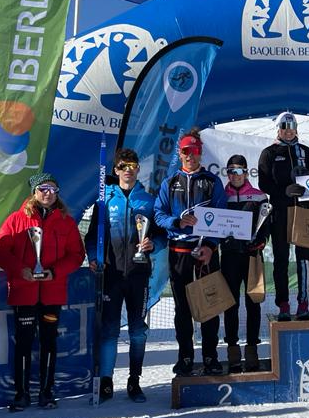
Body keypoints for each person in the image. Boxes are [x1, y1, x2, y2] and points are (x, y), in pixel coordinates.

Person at [0, 173, 85, 411]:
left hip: (52, 293)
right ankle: (21, 394)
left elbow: (77, 255)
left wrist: (56, 272)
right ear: (34, 192)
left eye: (53, 188)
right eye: (43, 188)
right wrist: (20, 270)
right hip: (25, 291)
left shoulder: (66, 221)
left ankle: (46, 391)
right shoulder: (17, 220)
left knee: (49, 341)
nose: (48, 193)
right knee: (23, 342)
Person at [154, 129, 228, 376]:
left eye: (195, 151)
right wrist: (177, 222)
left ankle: (210, 356)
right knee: (182, 309)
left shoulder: (212, 181)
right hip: (179, 252)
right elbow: (158, 215)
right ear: (180, 153)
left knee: (210, 304)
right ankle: (185, 356)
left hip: (206, 251)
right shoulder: (170, 183)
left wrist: (211, 246)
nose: (190, 156)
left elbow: (223, 217)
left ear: (200, 153)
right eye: (186, 152)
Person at [86, 148, 154, 403]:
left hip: (139, 274)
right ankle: (106, 382)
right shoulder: (104, 200)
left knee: (138, 331)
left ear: (138, 169)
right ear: (116, 171)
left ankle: (134, 381)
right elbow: (92, 236)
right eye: (123, 166)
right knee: (109, 331)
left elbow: (157, 234)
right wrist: (94, 257)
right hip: (112, 275)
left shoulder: (147, 200)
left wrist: (152, 245)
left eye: (133, 165)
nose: (128, 170)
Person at [257, 112, 309, 320]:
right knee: (281, 259)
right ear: (278, 129)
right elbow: (263, 183)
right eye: (284, 126)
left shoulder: (305, 151)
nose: (288, 129)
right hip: (281, 212)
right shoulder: (270, 152)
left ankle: (303, 302)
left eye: (292, 125)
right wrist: (283, 191)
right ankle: (283, 304)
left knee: (304, 258)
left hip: (302, 211)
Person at [220, 154, 270, 373]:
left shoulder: (259, 197)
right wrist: (223, 238)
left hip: (251, 256)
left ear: (246, 172)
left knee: (253, 302)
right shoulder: (221, 196)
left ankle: (252, 349)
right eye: (231, 171)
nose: (235, 175)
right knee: (230, 303)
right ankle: (232, 349)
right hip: (230, 256)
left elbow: (266, 226)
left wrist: (259, 241)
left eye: (239, 171)